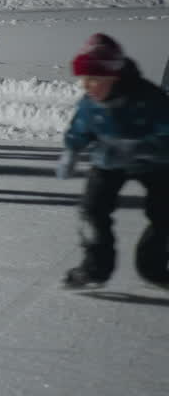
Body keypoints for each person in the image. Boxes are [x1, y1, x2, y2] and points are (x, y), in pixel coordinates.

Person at [57, 34, 169, 289]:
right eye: (82, 79)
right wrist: (71, 152)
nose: (85, 85)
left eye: (92, 79)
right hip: (108, 161)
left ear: (113, 76)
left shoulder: (149, 99)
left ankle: (153, 266)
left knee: (164, 214)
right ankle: (96, 267)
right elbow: (80, 128)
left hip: (156, 164)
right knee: (92, 211)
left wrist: (143, 148)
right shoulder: (90, 103)